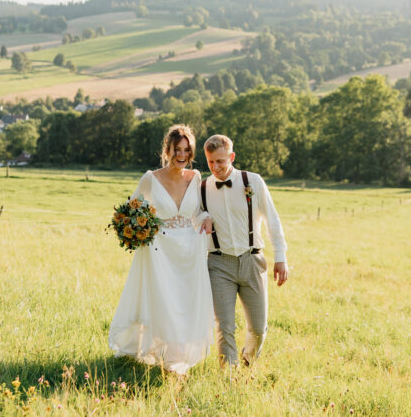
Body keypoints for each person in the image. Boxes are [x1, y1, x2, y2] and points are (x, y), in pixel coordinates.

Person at [108, 124, 215, 374]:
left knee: (185, 301)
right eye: (177, 150)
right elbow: (128, 211)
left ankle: (180, 353)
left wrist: (206, 217)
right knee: (166, 300)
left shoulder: (195, 177)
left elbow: (197, 213)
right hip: (161, 252)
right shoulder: (150, 178)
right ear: (167, 150)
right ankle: (170, 356)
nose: (182, 155)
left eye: (186, 151)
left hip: (189, 251)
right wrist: (135, 232)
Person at [200, 134, 289, 367]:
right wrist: (202, 216)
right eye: (210, 162)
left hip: (252, 260)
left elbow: (272, 219)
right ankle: (228, 378)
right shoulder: (201, 188)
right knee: (225, 327)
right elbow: (191, 216)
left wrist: (281, 257)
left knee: (259, 329)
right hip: (218, 264)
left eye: (220, 161)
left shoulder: (253, 181)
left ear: (232, 156)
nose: (215, 167)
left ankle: (247, 362)